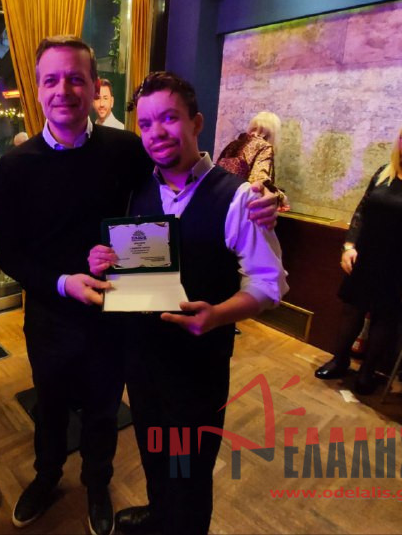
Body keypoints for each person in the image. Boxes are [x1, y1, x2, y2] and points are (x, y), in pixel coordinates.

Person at [0, 38, 278, 535]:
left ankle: (101, 488)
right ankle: (50, 478)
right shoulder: (15, 166)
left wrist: (263, 196)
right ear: (36, 89)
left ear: (94, 87)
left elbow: (198, 183)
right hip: (61, 319)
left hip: (130, 328)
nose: (63, 90)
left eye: (76, 78)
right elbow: (9, 253)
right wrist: (68, 278)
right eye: (51, 80)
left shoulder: (127, 151)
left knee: (114, 417)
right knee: (61, 410)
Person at [88, 72, 288, 535]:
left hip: (197, 370)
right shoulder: (136, 190)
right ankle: (160, 515)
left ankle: (183, 525)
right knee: (153, 449)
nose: (156, 132)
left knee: (188, 469)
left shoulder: (238, 197)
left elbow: (269, 284)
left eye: (169, 118)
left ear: (196, 123)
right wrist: (103, 260)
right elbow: (129, 262)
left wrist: (218, 316)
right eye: (146, 123)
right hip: (142, 360)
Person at [315, 115, 402, 394]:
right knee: (351, 310)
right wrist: (349, 247)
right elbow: (361, 212)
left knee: (386, 318)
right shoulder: (383, 173)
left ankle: (368, 372)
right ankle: (340, 360)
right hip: (367, 257)